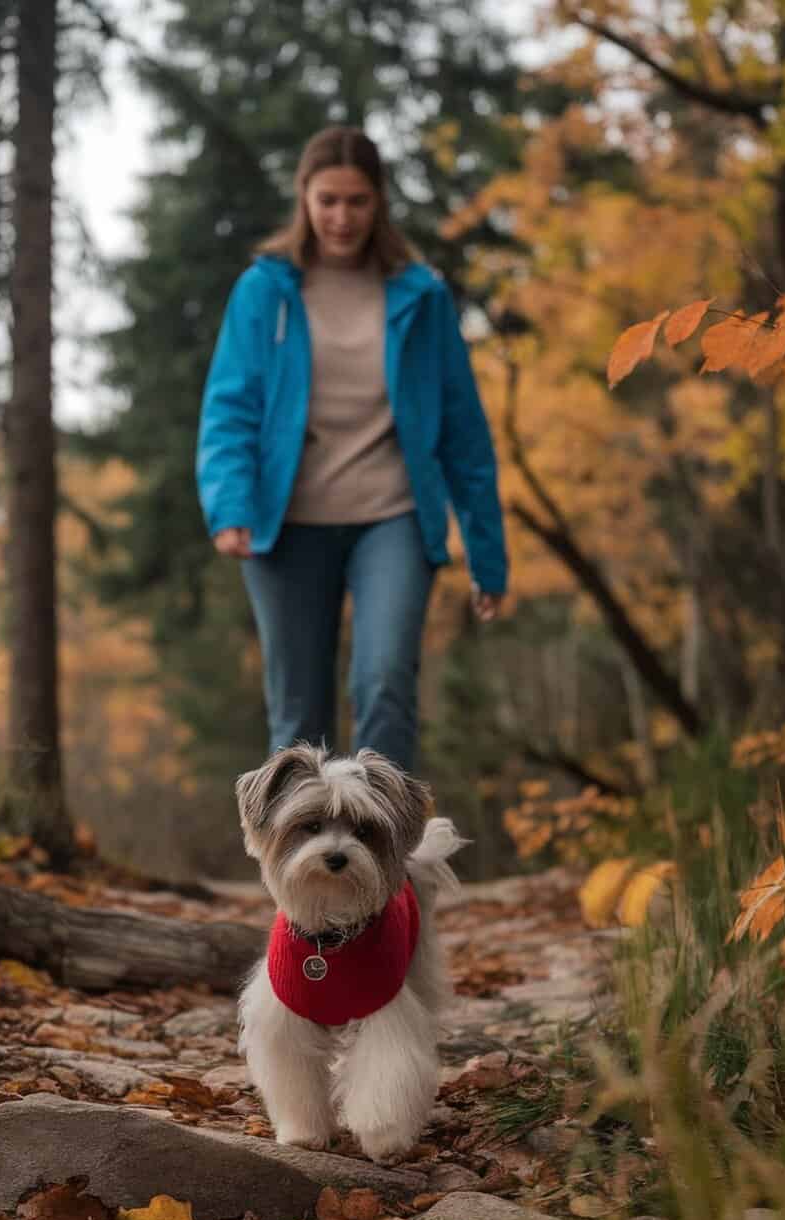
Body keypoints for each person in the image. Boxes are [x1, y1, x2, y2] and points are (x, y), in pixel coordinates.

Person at [196, 125, 508, 773]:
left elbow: (463, 430)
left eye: (358, 201)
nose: (342, 217)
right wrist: (229, 505)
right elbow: (230, 407)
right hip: (287, 527)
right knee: (298, 718)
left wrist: (487, 552)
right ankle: (299, 872)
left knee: (385, 685)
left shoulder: (419, 295)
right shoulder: (265, 290)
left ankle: (387, 870)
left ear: (380, 203)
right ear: (304, 198)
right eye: (328, 200)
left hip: (391, 515)